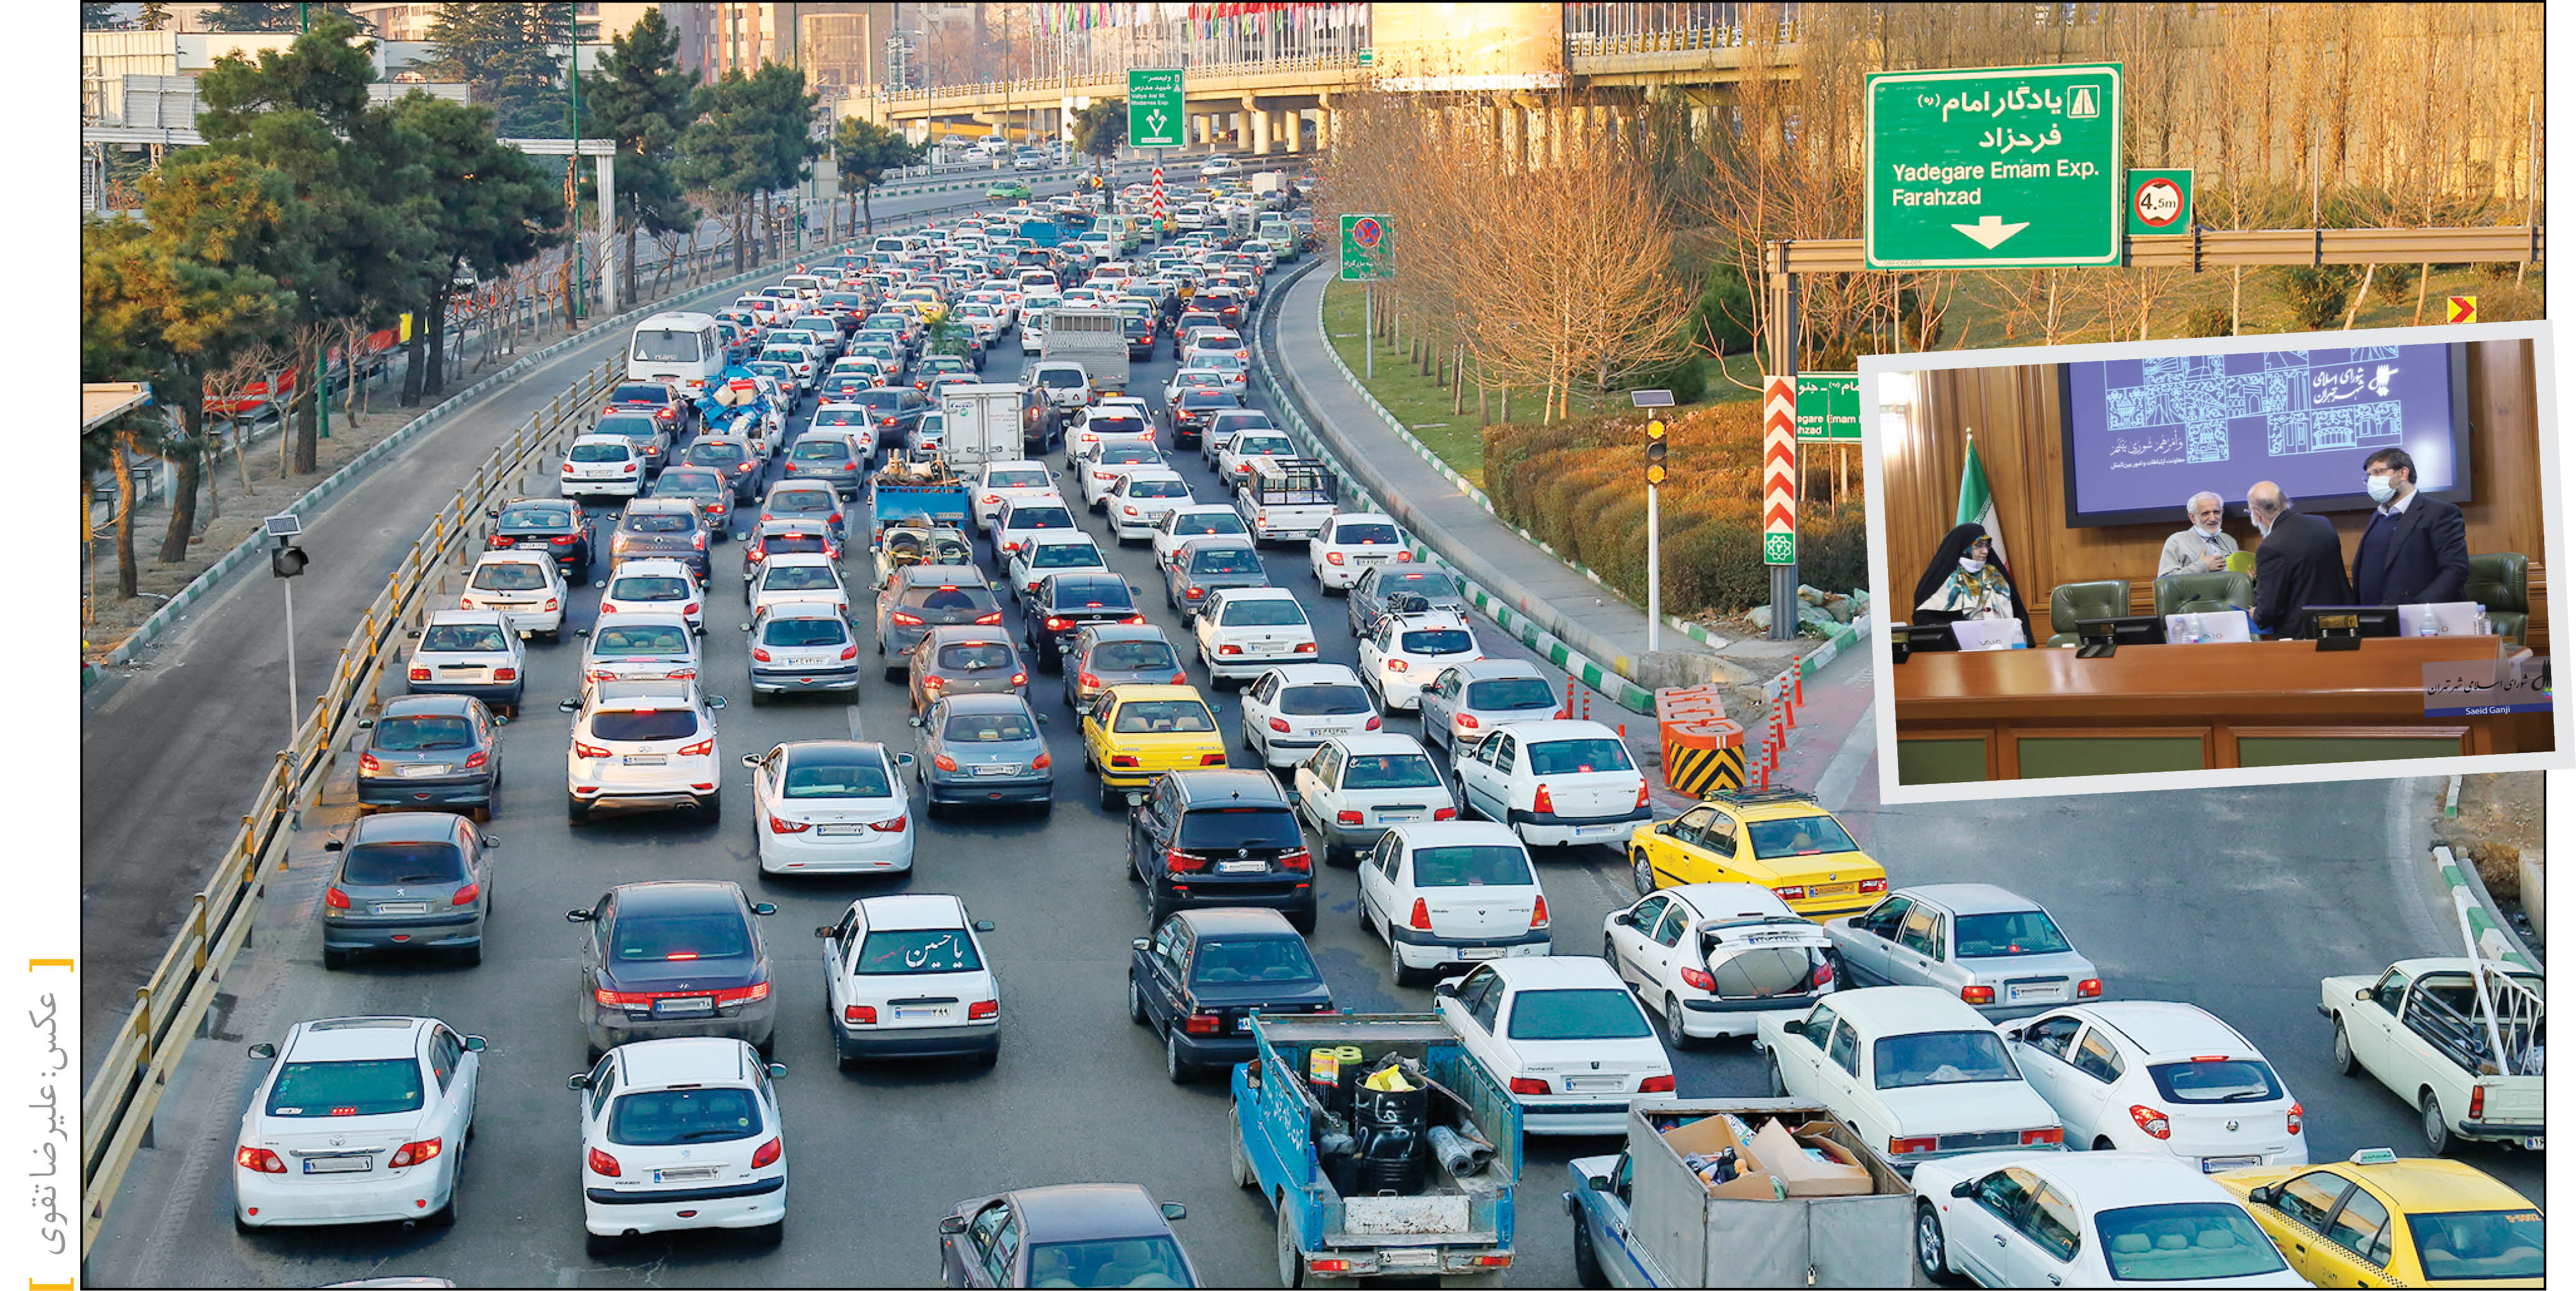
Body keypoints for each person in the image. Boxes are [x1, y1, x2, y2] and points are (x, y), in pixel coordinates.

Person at [2352, 447, 2470, 606]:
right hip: (2374, 618)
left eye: (2379, 472)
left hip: (2420, 620)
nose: (2372, 480)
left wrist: (2419, 607)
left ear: (2403, 473)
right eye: (2369, 476)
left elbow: (2456, 570)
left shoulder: (2440, 512)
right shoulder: (2379, 516)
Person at [2247, 481, 2354, 635]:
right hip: (2341, 625)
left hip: (2302, 635)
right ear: (2286, 502)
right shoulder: (2323, 524)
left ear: (2256, 513)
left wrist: (2257, 614)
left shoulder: (2270, 546)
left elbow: (2268, 611)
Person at [1911, 524, 2030, 641]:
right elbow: (1923, 619)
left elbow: (2018, 612)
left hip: (2000, 645)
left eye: (1987, 546)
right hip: (1955, 648)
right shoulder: (1940, 579)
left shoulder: (1997, 576)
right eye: (1978, 546)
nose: (1985, 551)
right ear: (1964, 548)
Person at [2158, 491, 2239, 578]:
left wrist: (2246, 577)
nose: (2213, 518)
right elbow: (2165, 581)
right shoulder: (2177, 541)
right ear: (2193, 518)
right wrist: (2202, 566)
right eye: (2205, 513)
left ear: (2222, 512)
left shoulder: (2229, 541)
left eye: (2216, 512)